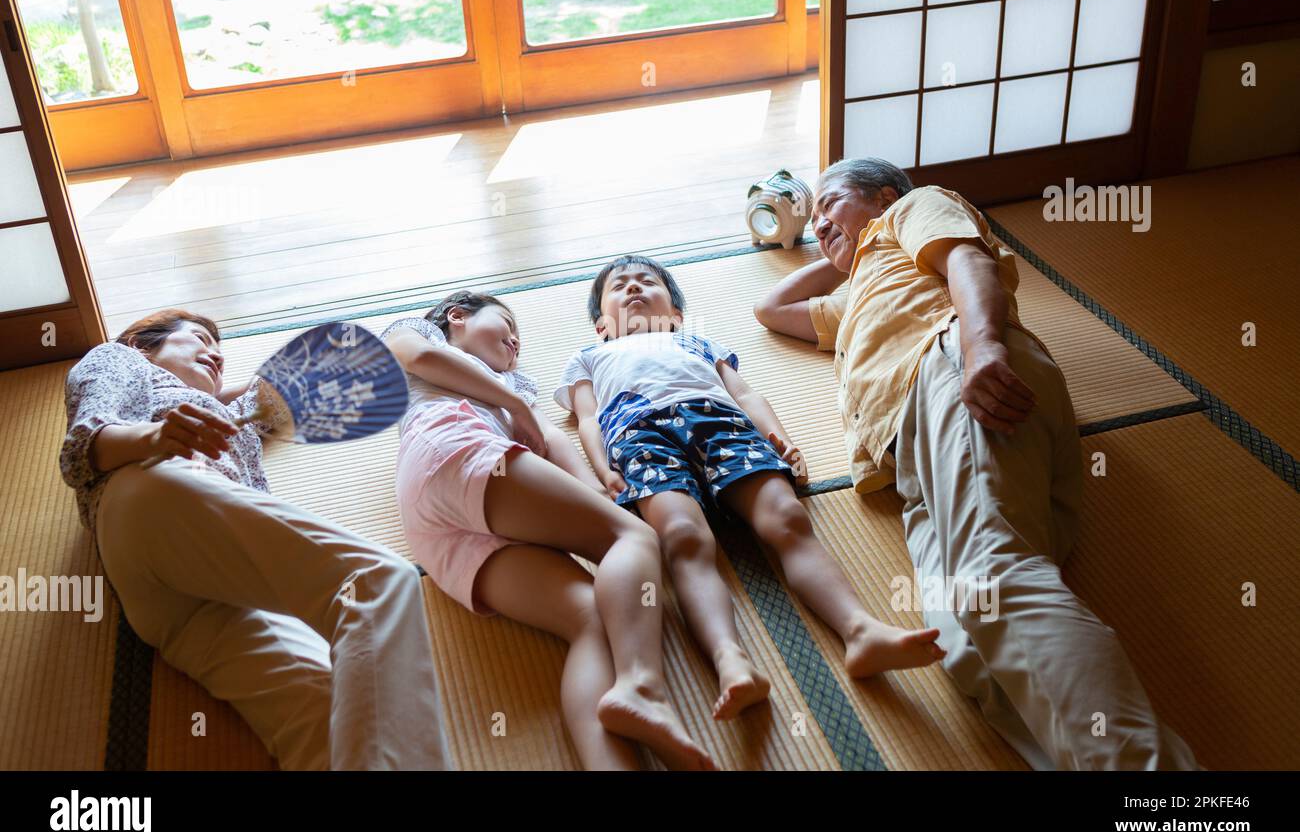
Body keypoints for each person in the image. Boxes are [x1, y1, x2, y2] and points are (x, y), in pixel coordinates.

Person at [754, 158, 1198, 770]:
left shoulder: (912, 209)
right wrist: (838, 246)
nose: (821, 221)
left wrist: (981, 343)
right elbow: (770, 309)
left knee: (995, 575)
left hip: (955, 373)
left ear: (884, 195)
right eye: (815, 215)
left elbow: (969, 260)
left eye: (832, 202)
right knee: (967, 644)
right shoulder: (860, 288)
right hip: (914, 459)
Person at [554, 255, 946, 722]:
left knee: (787, 517)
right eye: (619, 288)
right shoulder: (590, 357)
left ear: (675, 315)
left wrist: (779, 436)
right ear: (601, 325)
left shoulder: (695, 340)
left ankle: (860, 629)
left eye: (647, 283)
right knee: (681, 537)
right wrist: (602, 470)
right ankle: (731, 661)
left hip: (721, 422)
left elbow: (744, 395)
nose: (634, 289)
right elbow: (589, 419)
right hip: (641, 436)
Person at [59, 309, 450, 770]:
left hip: (187, 609)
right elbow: (82, 447)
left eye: (220, 351)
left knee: (331, 714)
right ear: (144, 345)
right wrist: (158, 436)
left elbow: (283, 390)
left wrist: (410, 337)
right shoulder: (121, 360)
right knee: (378, 582)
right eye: (201, 339)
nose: (216, 354)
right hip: (151, 497)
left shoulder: (227, 414)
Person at [383, 291, 715, 770]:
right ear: (458, 316)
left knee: (590, 620)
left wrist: (597, 496)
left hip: (440, 527)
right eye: (505, 324)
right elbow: (422, 357)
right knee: (633, 538)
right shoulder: (419, 331)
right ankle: (642, 687)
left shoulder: (513, 386)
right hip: (453, 449)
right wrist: (512, 402)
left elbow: (549, 438)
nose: (515, 340)